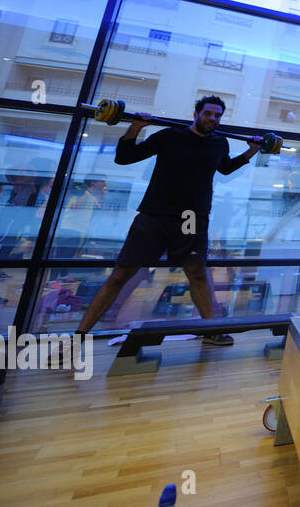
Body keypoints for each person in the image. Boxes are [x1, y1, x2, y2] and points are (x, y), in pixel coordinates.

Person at [75, 96, 264, 343]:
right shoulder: (169, 136)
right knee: (121, 274)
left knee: (197, 273)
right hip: (155, 214)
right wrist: (135, 128)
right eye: (208, 113)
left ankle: (211, 331)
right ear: (195, 114)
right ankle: (79, 336)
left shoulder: (219, 142)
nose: (213, 119)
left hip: (192, 217)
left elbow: (225, 168)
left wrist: (252, 151)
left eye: (217, 115)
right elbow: (124, 157)